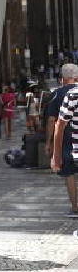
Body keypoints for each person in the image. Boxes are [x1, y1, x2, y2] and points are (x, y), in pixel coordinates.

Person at [48, 64, 78, 216]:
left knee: (69, 173)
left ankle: (75, 207)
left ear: (62, 79)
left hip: (67, 141)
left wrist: (49, 143)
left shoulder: (58, 94)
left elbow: (54, 121)